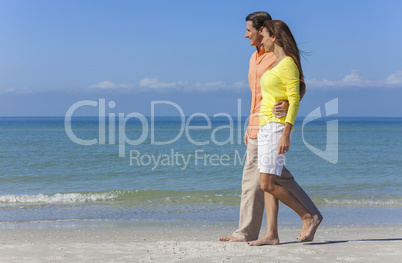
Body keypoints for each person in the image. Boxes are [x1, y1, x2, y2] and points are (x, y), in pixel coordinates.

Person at [219, 11, 322, 244]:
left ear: (263, 31)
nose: (246, 35)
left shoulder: (277, 56)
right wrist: (249, 124)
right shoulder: (254, 58)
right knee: (270, 179)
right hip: (257, 124)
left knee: (263, 180)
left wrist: (287, 106)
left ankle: (306, 217)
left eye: (249, 31)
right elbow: (257, 96)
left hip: (273, 124)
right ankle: (272, 232)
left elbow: (298, 87)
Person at [247, 19, 322, 246]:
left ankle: (309, 216)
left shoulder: (287, 63)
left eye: (265, 34)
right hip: (265, 127)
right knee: (269, 184)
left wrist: (286, 133)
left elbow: (295, 98)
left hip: (276, 128)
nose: (262, 38)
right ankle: (272, 234)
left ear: (275, 37)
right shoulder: (276, 64)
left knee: (267, 184)